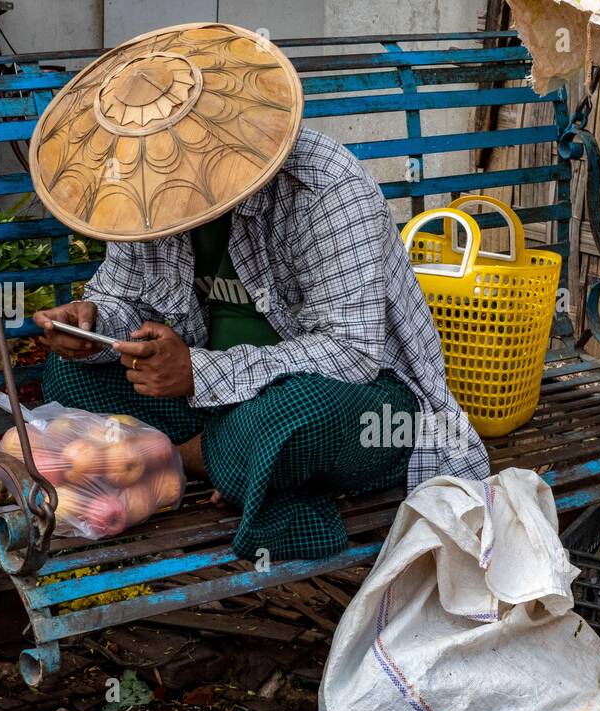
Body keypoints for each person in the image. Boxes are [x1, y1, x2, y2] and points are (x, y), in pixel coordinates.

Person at [27, 23, 488, 561]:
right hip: (217, 407)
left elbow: (354, 352)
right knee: (70, 373)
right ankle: (240, 461)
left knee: (298, 414)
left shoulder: (324, 186)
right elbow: (125, 297)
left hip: (362, 404)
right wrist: (93, 325)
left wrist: (200, 372)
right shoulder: (145, 195)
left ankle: (190, 458)